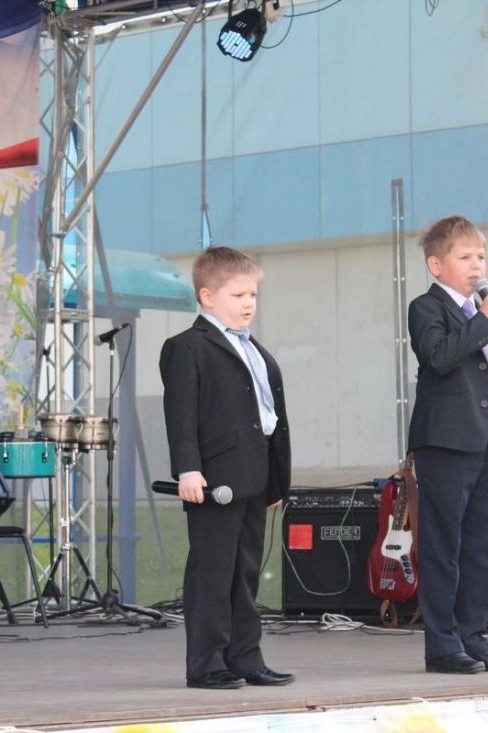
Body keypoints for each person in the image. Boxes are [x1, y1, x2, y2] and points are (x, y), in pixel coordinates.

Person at [159, 245, 293, 690]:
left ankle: (245, 657)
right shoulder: (187, 347)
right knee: (212, 573)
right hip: (215, 477)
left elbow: (269, 416)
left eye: (252, 294)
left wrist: (275, 479)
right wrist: (187, 469)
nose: (248, 303)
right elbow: (181, 415)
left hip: (254, 475)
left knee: (245, 571)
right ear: (207, 297)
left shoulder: (254, 348)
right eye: (238, 295)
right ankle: (206, 663)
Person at [407, 215, 488, 675]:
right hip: (445, 445)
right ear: (436, 265)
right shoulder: (427, 308)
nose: (477, 265)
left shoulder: (483, 316)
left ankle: (474, 638)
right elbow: (439, 357)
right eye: (465, 257)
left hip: (485, 448)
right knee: (444, 547)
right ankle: (442, 645)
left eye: (481, 256)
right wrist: (483, 320)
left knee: (480, 548)